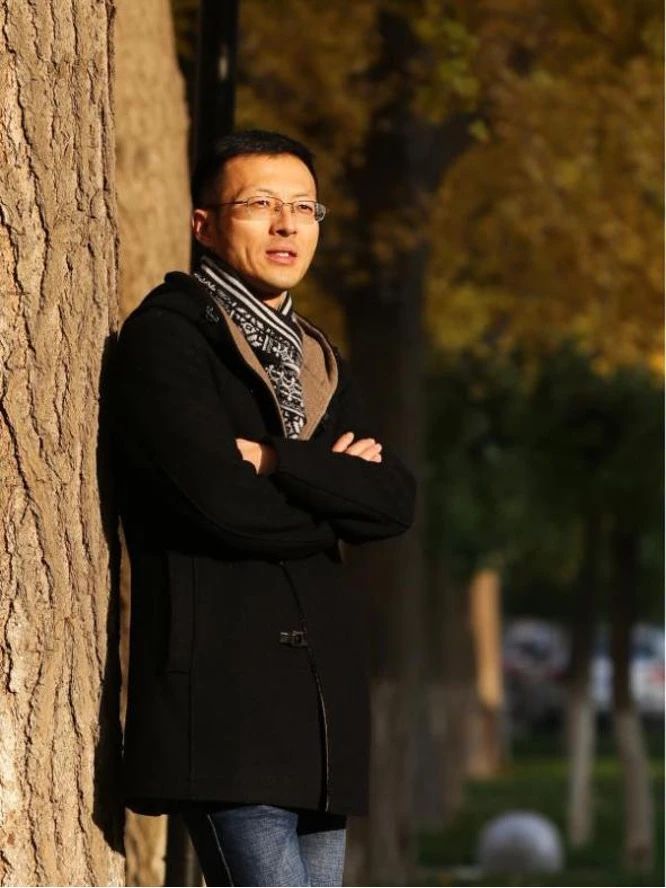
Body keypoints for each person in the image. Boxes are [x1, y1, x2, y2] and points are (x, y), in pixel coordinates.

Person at [111, 129, 416, 886]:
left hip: (322, 716)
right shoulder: (169, 339)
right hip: (225, 706)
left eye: (304, 208)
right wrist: (333, 490)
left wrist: (279, 461)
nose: (287, 225)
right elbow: (221, 504)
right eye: (260, 204)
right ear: (204, 224)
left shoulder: (317, 358)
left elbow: (392, 501)